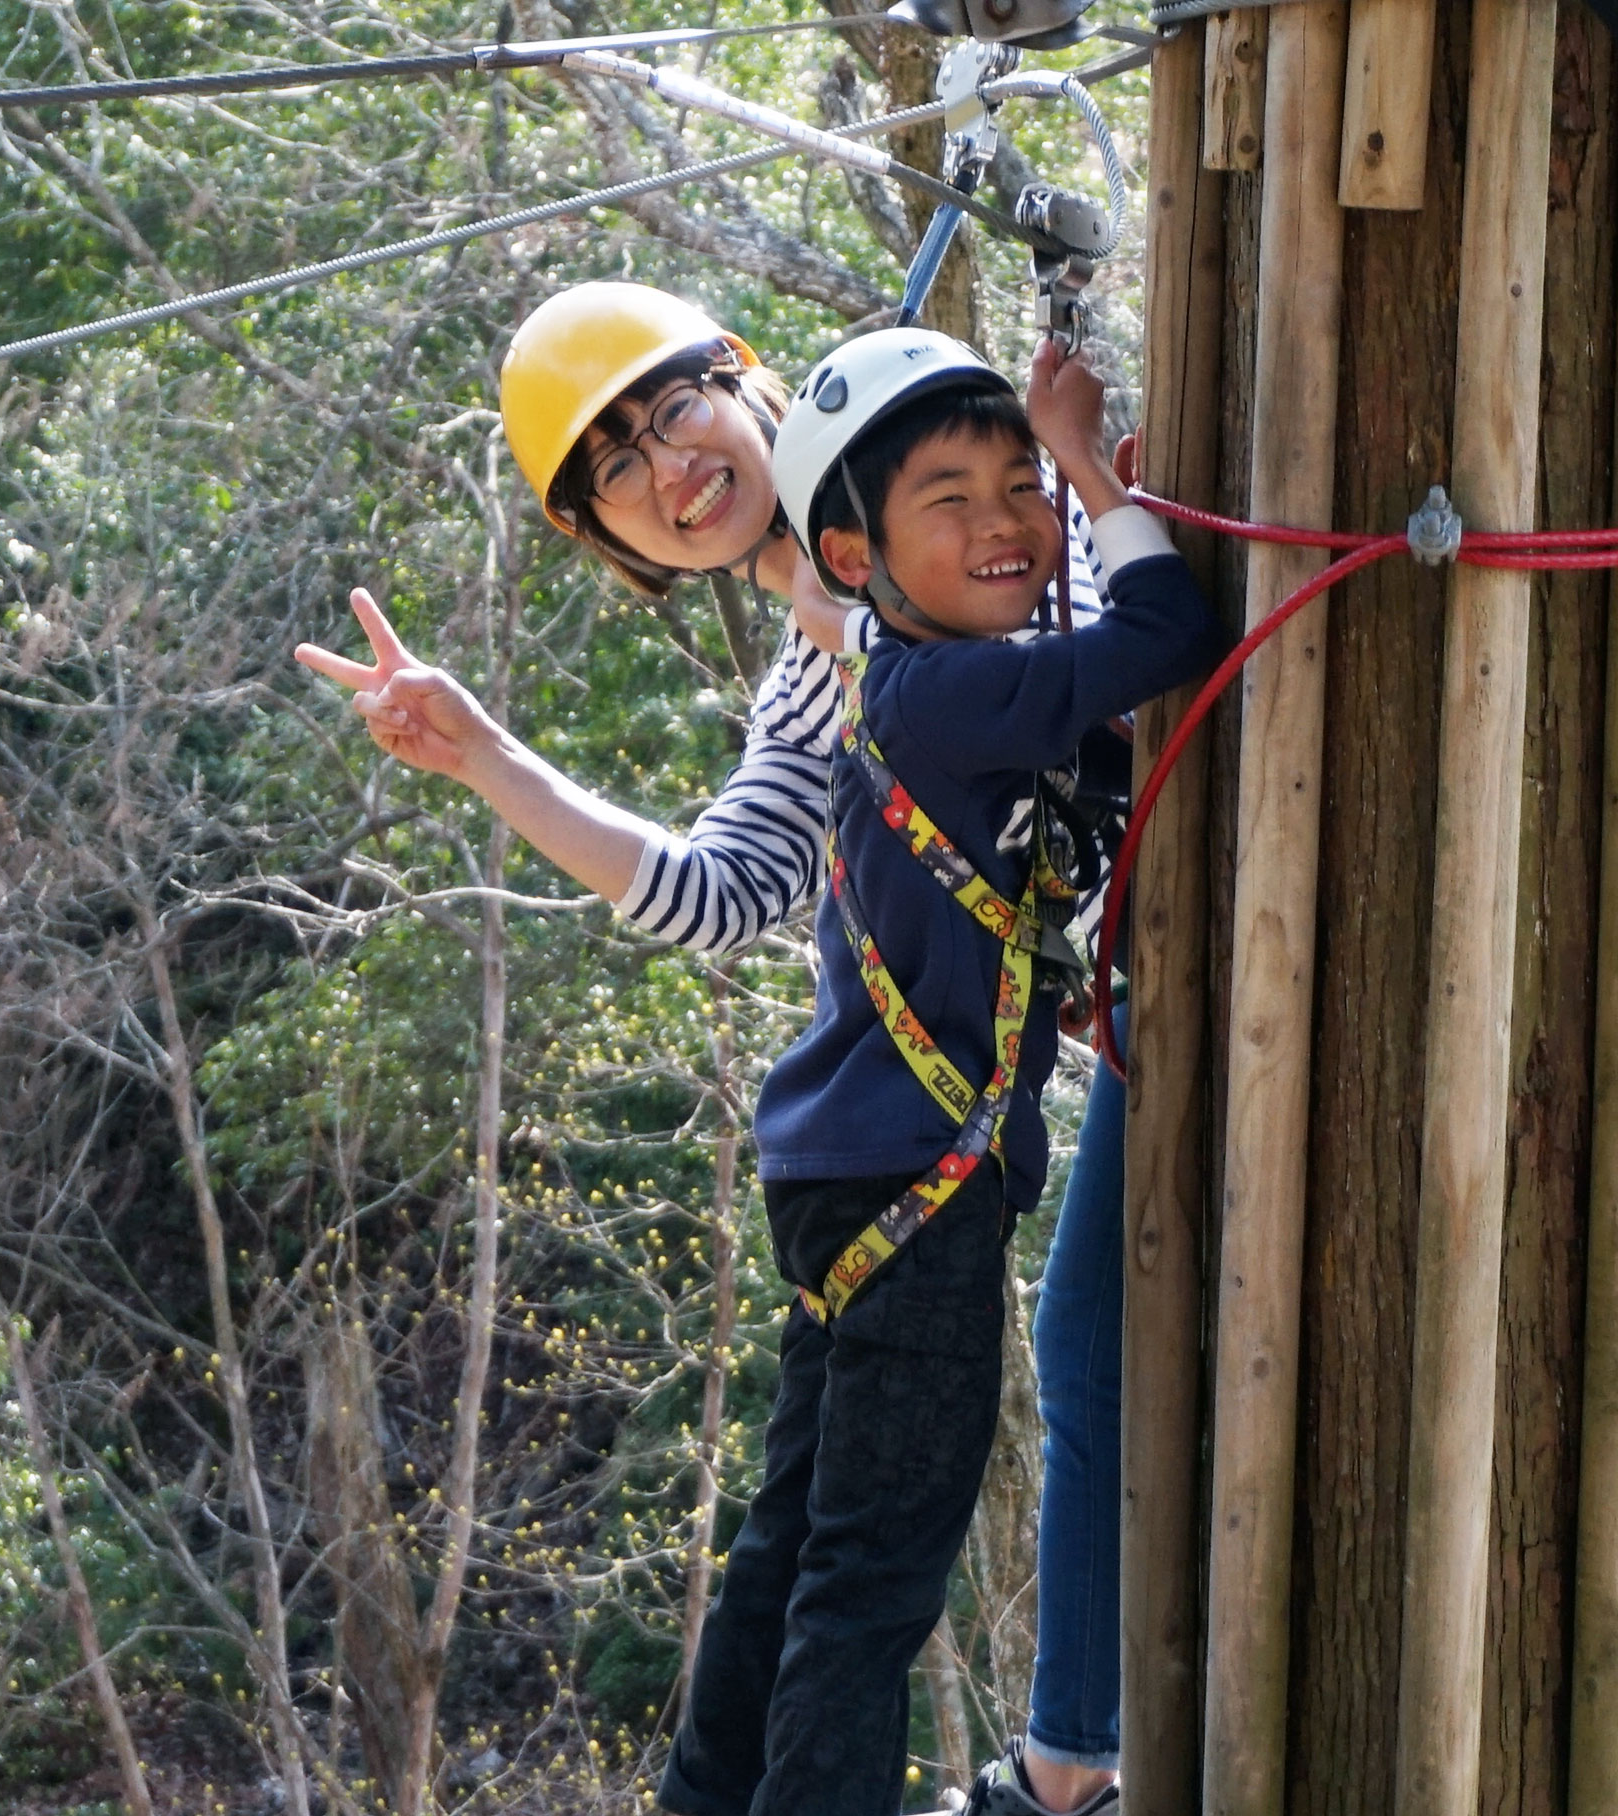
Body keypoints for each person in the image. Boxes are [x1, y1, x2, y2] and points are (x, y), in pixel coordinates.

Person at [296, 283, 1135, 1813]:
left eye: (672, 408)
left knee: (823, 1525)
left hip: (962, 1094)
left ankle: (1045, 1762)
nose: (670, 464)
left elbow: (1086, 596)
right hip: (915, 1143)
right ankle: (1044, 1767)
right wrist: (488, 755)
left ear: (741, 384)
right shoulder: (810, 679)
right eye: (621, 466)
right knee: (864, 1547)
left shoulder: (934, 488)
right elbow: (717, 890)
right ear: (614, 543)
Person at [651, 327, 1222, 1816]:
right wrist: (1100, 475)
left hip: (858, 1170)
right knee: (875, 1578)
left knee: (796, 1545)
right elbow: (1168, 639)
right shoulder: (945, 695)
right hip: (916, 1190)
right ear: (852, 554)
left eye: (1019, 485)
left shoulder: (946, 687)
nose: (1005, 524)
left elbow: (1086, 769)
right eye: (949, 500)